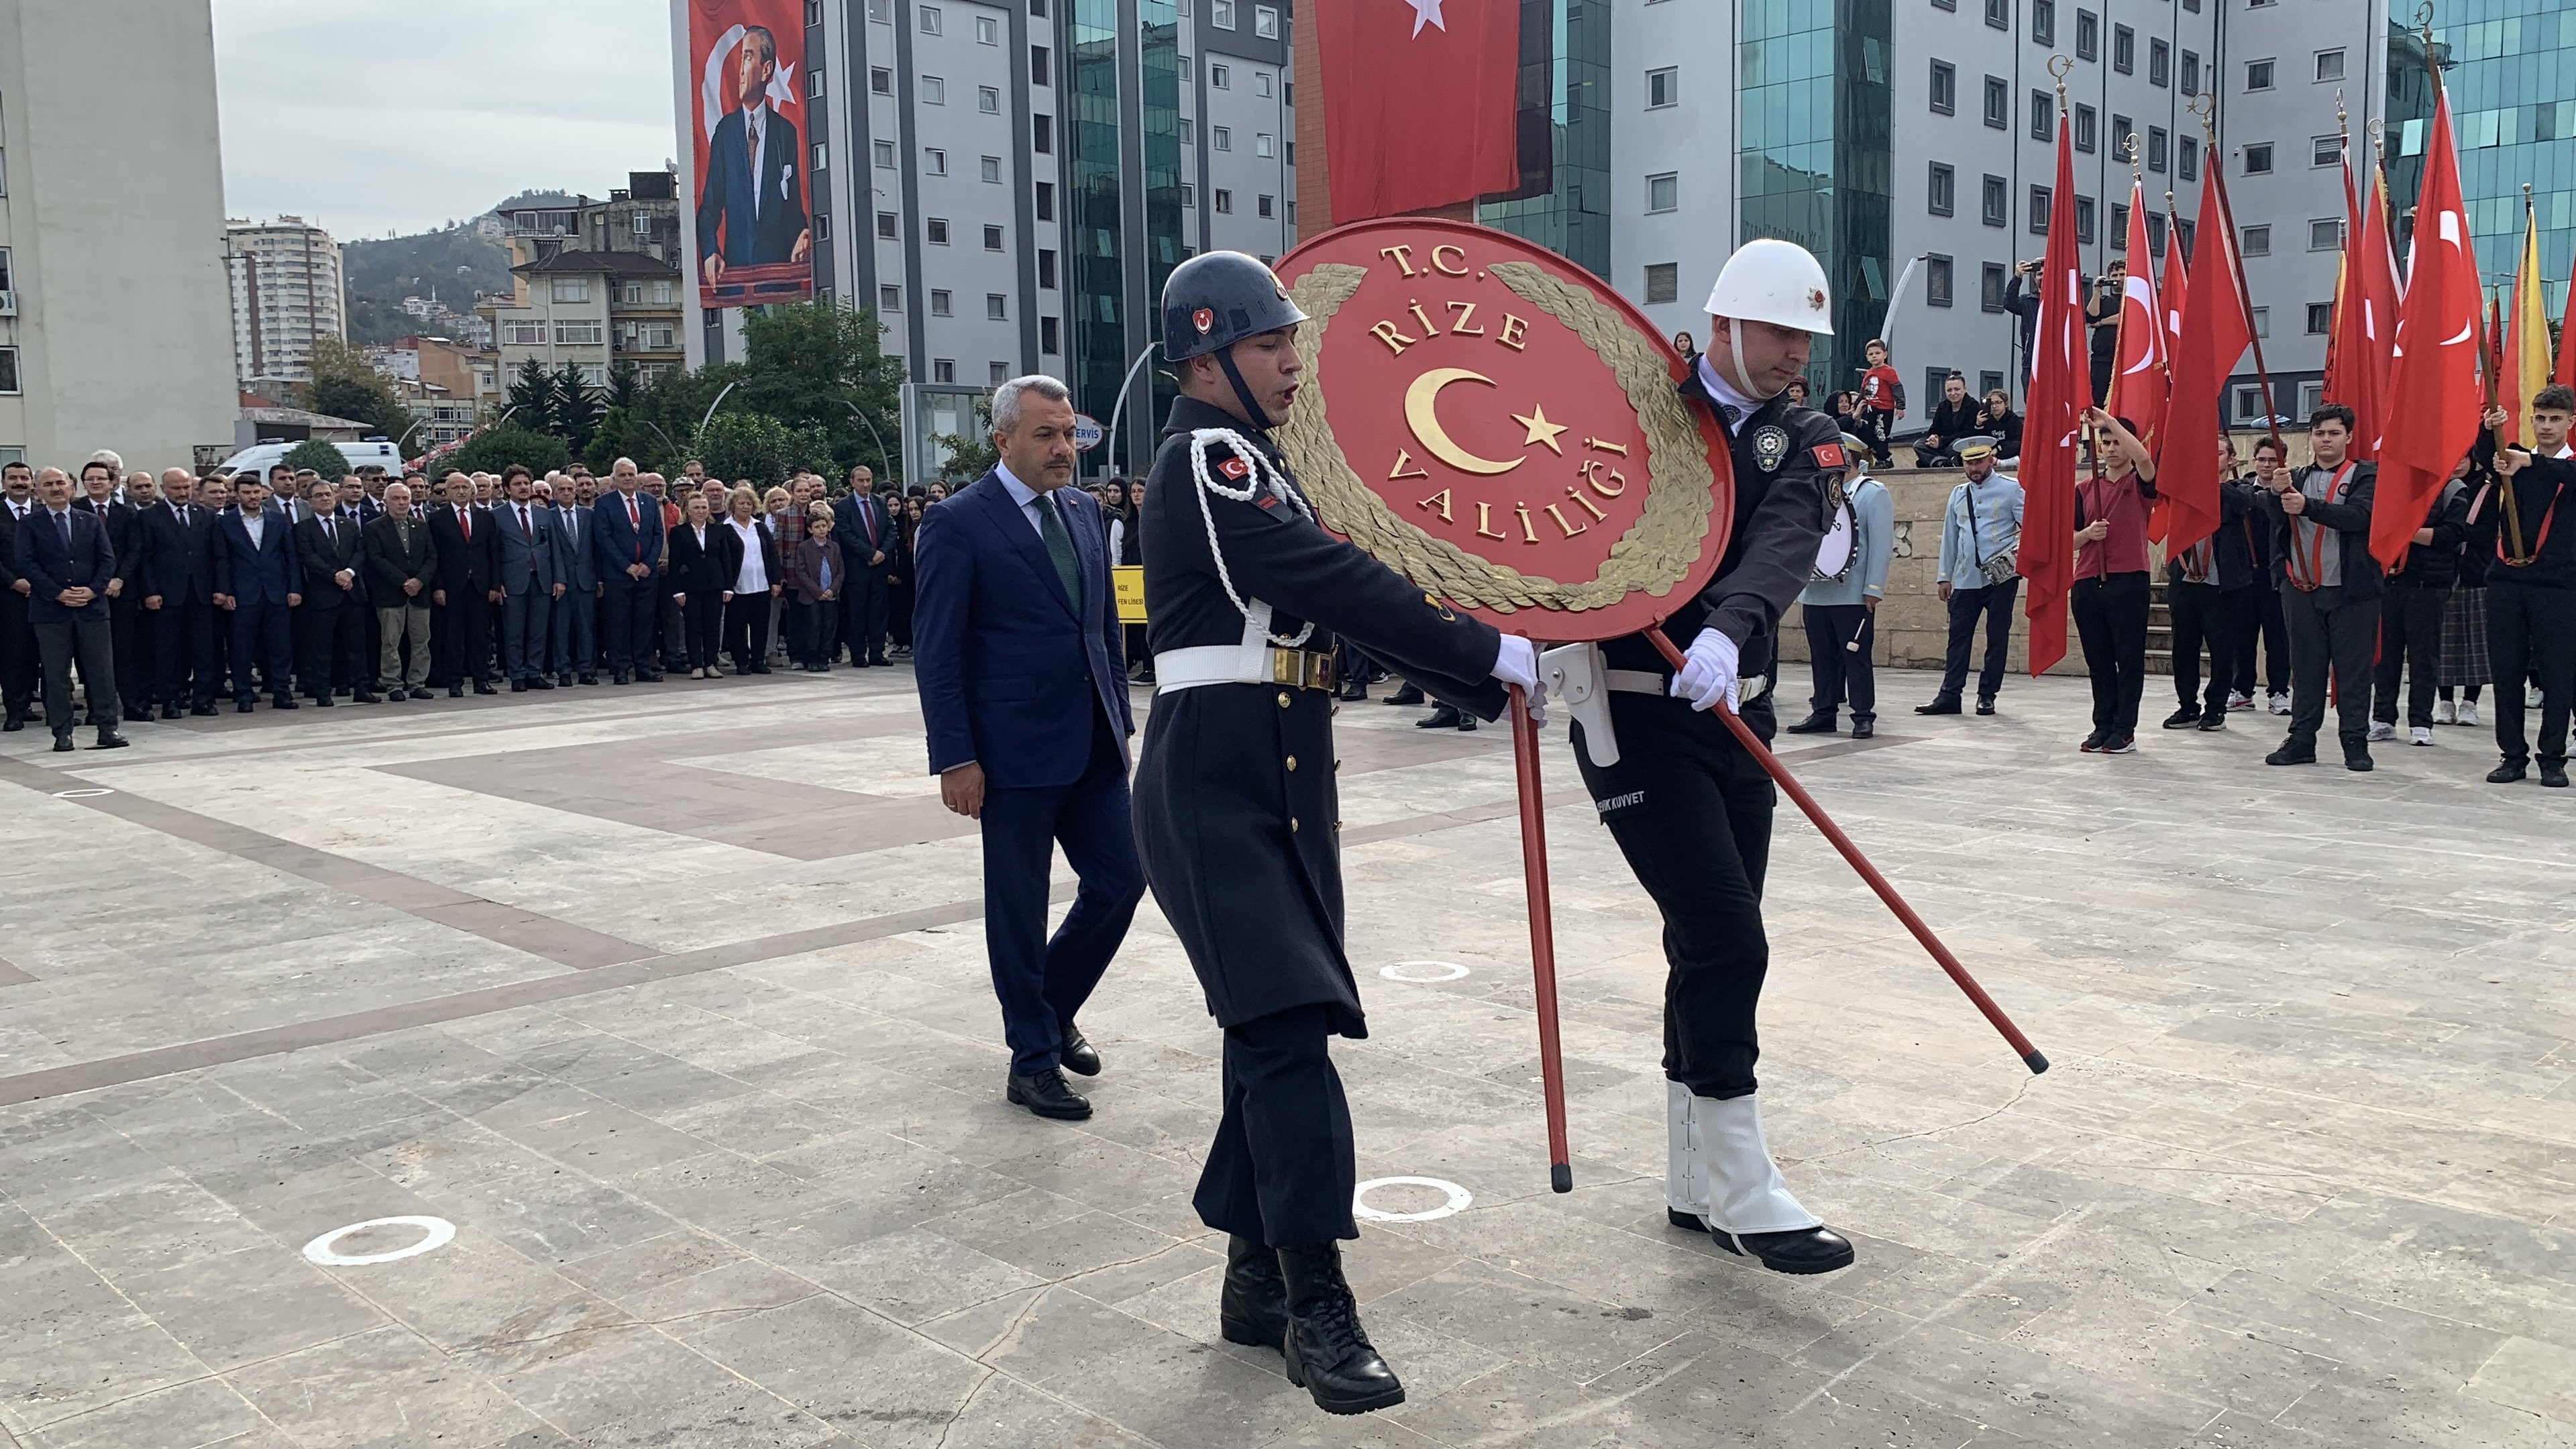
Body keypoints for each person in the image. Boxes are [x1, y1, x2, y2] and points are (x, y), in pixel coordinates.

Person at [1131, 252, 1537, 1415]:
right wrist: (1483, 652)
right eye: (1272, 348)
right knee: (1287, 1030)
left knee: (1267, 1032)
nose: (1294, 367)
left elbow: (1328, 615)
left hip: (1279, 771)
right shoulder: (1210, 458)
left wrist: (1482, 683)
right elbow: (1331, 577)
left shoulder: (1257, 461)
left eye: (1293, 344)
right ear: (1207, 358)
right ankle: (1319, 1307)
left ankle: (1254, 1280)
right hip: (1215, 779)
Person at [1563, 240, 1860, 1289]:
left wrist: (1734, 632)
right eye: (1781, 332)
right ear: (1725, 323)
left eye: (1806, 338)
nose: (1794, 355)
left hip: (1741, 712)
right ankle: (1743, 1184)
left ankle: (1691, 1178)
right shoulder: (1640, 408)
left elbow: (1787, 539)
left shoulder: (1809, 436)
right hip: (1636, 712)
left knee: (1704, 944)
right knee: (1730, 937)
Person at [914, 374, 1144, 1128]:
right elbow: (938, 652)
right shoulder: (958, 522)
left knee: (1122, 880)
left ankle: (1050, 1008)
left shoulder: (1081, 511)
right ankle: (1033, 1061)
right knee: (1016, 907)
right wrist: (955, 756)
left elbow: (1102, 626)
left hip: (1093, 744)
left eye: (1070, 433)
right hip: (1009, 755)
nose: (1062, 449)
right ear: (1003, 439)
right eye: (1046, 434)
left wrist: (1121, 716)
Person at [2253, 404, 2381, 771]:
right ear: (2310, 437)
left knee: (2353, 670)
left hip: (2351, 590)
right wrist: (2277, 497)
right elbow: (2276, 520)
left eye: (2334, 433)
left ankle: (2355, 741)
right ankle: (2301, 739)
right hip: (2301, 586)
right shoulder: (2294, 477)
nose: (2326, 440)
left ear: (2349, 437)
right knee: (2305, 667)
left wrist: (2306, 506)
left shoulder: (2366, 475)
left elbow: (2359, 517)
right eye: (2320, 433)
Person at [2476, 395, 2576, 787]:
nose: (2546, 425)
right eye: (2539, 418)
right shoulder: (2513, 458)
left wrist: (2529, 462)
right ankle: (2512, 755)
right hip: (2508, 580)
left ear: (2571, 421)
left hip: (2558, 585)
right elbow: (2488, 458)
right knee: (2507, 671)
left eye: (2555, 418)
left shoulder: (2560, 466)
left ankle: (2552, 757)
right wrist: (2490, 428)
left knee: (2558, 674)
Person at [1786, 435, 1892, 738]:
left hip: (1853, 591)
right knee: (1821, 656)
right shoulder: (1816, 492)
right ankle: (1824, 711)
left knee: (1855, 656)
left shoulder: (1872, 494)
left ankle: (1862, 714)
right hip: (1817, 591)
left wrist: (1873, 588)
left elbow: (1881, 545)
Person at [16, 466, 127, 750]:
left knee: (101, 671)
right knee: (56, 675)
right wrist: (57, 593)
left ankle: (107, 729)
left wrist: (92, 590)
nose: (55, 488)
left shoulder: (89, 521)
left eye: (60, 483)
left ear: (71, 487)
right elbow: (27, 563)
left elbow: (107, 560)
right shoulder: (30, 524)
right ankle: (62, 733)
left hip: (92, 608)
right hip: (50, 610)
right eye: (48, 484)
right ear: (37, 491)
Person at [2068, 411, 2159, 755]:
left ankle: (2125, 729)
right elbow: (2067, 540)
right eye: (2105, 442)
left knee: (2128, 658)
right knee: (2099, 660)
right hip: (2089, 580)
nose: (2111, 448)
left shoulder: (2139, 482)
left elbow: (2145, 457)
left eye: (2116, 441)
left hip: (2129, 578)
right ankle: (2102, 724)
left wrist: (2108, 419)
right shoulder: (2084, 488)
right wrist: (2088, 534)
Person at [694, 24, 811, 286]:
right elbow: (710, 206)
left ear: (767, 69)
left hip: (778, 278)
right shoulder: (725, 133)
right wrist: (710, 251)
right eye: (741, 59)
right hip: (736, 278)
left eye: (747, 57)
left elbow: (791, 206)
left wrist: (803, 234)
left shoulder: (785, 133)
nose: (740, 70)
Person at [2371, 452, 2471, 747]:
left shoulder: (2452, 489)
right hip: (2390, 581)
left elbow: (2452, 535)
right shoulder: (2392, 489)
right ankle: (2383, 718)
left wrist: (2406, 532)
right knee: (2386, 656)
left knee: (2423, 656)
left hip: (2429, 584)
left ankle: (2421, 722)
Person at [1918, 437, 2024, 715]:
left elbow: (2030, 530)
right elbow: (1950, 537)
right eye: (1969, 462)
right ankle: (1950, 694)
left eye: (1979, 461)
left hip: (2001, 577)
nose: (1974, 468)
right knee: (1958, 637)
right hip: (1966, 577)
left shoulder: (2011, 489)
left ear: (1991, 459)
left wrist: (2014, 557)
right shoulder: (1958, 493)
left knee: (1997, 637)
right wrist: (1944, 575)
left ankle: (1988, 694)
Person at [2161, 435, 2259, 733]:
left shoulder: (2238, 489)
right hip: (2186, 581)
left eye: (2217, 454)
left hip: (2222, 585)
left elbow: (2246, 503)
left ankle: (2215, 707)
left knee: (2221, 649)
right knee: (2183, 648)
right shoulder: (2185, 491)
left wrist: (2208, 486)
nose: (2209, 460)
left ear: (2231, 460)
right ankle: (2187, 705)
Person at [211, 474, 301, 713]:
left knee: (280, 645)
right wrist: (225, 590)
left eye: (256, 492)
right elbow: (222, 560)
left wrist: (294, 588)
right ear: (237, 495)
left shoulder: (278, 520)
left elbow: (290, 556)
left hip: (276, 591)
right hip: (242, 593)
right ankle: (243, 694)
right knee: (241, 647)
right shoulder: (224, 522)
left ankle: (282, 691)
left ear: (263, 492)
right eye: (247, 493)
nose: (253, 497)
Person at [139, 468, 219, 718]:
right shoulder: (150, 517)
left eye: (186, 487)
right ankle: (170, 700)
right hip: (167, 595)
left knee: (205, 650)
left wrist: (220, 589)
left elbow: (218, 557)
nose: (182, 492)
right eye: (176, 488)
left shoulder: (206, 515)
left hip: (201, 593)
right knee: (168, 651)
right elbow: (145, 558)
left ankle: (204, 700)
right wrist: (150, 592)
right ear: (164, 489)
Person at [74, 458, 148, 724]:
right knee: (91, 655)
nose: (96, 483)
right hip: (86, 594)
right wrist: (94, 586)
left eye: (101, 479)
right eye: (90, 479)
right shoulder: (74, 511)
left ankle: (131, 705)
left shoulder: (127, 513)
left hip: (120, 592)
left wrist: (118, 580)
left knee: (125, 652)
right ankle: (97, 709)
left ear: (112, 483)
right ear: (83, 484)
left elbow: (134, 551)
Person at [293, 476, 374, 705]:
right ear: (309, 501)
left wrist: (349, 572)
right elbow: (309, 558)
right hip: (323, 596)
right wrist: (335, 575)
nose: (325, 499)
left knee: (357, 645)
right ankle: (322, 691)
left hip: (352, 593)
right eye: (318, 495)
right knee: (322, 648)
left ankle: (361, 687)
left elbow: (361, 551)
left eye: (328, 494)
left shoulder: (348, 524)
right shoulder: (303, 528)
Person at [2234, 436, 2295, 715]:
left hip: (2277, 575)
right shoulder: (2241, 490)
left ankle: (2280, 691)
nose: (2267, 465)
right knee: (2243, 637)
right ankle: (2242, 691)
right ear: (2254, 461)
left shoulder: (2291, 493)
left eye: (2273, 460)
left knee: (2277, 638)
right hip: (2246, 574)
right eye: (2262, 459)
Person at [593, 459, 665, 685]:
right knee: (619, 623)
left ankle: (643, 666)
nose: (627, 478)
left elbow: (657, 535)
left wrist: (648, 564)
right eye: (622, 475)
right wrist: (626, 565)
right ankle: (621, 667)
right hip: (618, 574)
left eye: (631, 474)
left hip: (646, 573)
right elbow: (603, 537)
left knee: (645, 621)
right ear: (614, 480)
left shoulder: (649, 502)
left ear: (637, 478)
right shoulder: (604, 503)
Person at [2439, 451, 2498, 728]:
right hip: (2442, 572)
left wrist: (2456, 531)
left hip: (2475, 573)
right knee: (2443, 641)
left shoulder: (2486, 490)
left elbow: (2486, 534)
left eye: (2462, 458)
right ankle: (2445, 701)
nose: (2457, 464)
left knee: (2476, 642)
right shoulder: (2439, 488)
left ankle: (2470, 703)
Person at [427, 472, 499, 697]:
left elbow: (494, 553)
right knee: (453, 636)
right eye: (455, 488)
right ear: (446, 492)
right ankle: (455, 682)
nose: (461, 491)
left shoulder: (485, 517)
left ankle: (481, 681)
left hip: (480, 585)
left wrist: (495, 585)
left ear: (472, 491)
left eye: (465, 487)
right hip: (451, 587)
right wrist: (438, 586)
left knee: (481, 635)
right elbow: (434, 555)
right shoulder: (437, 519)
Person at [490, 466, 561, 692]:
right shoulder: (496, 516)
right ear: (507, 489)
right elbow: (494, 553)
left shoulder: (544, 514)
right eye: (517, 484)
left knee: (538, 631)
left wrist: (559, 579)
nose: (523, 488)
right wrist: (497, 582)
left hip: (541, 580)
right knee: (514, 631)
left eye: (526, 484)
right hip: (512, 582)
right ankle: (517, 674)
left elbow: (554, 549)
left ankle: (534, 672)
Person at [364, 481, 437, 700]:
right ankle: (393, 684)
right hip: (391, 594)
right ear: (386, 502)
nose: (402, 502)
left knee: (421, 641)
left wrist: (419, 581)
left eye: (405, 498)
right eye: (396, 499)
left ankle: (417, 683)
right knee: (390, 642)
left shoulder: (421, 526)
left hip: (419, 594)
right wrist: (404, 581)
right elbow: (376, 559)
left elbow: (431, 556)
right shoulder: (374, 527)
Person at [664, 490, 732, 679]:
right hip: (690, 586)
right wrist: (677, 590)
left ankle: (711, 663)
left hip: (714, 585)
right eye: (697, 508)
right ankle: (697, 665)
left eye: (704, 507)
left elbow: (726, 560)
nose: (701, 511)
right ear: (689, 510)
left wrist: (728, 586)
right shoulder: (679, 532)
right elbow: (675, 562)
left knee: (712, 626)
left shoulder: (718, 530)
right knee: (693, 626)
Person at [720, 485, 782, 675]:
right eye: (741, 503)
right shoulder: (725, 529)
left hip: (761, 585)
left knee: (760, 625)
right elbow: (723, 559)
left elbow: (772, 555)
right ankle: (741, 662)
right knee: (737, 626)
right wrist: (726, 584)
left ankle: (758, 660)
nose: (745, 507)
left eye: (749, 503)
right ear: (733, 506)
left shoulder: (760, 527)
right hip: (738, 587)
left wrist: (775, 581)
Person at [838, 465, 896, 665]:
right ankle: (858, 655)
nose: (865, 484)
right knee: (857, 613)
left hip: (879, 568)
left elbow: (891, 529)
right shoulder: (844, 506)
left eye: (868, 480)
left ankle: (878, 653)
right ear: (852, 482)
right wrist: (869, 553)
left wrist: (881, 553)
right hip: (858, 568)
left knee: (879, 613)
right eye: (861, 480)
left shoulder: (880, 502)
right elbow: (846, 536)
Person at [550, 472, 599, 686]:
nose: (567, 493)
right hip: (561, 582)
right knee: (561, 629)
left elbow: (596, 550)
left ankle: (586, 669)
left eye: (571, 489)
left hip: (586, 581)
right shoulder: (548, 517)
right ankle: (563, 670)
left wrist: (600, 580)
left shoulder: (589, 515)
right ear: (554, 493)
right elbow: (550, 552)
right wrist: (557, 578)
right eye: (562, 489)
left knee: (586, 628)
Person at [0, 462, 36, 731]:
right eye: (13, 478)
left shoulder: (45, 512)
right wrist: (13, 582)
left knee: (41, 653)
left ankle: (35, 705)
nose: (19, 482)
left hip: (45, 594)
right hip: (8, 596)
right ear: (4, 483)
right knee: (14, 653)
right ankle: (15, 709)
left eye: (24, 477)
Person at [786, 499, 841, 669]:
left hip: (831, 596)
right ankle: (812, 659)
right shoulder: (804, 547)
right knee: (813, 627)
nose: (821, 529)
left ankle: (824, 659)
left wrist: (832, 590)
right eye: (817, 527)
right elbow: (801, 572)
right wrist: (818, 592)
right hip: (812, 597)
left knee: (829, 628)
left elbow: (841, 571)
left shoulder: (834, 547)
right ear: (810, 530)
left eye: (824, 526)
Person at [1914, 373, 1979, 468]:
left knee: (1957, 444)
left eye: (1957, 389)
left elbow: (1967, 433)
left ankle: (1935, 461)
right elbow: (1934, 428)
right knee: (1918, 445)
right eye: (1949, 390)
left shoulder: (1973, 406)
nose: (1953, 393)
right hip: (1942, 444)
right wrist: (1933, 438)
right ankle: (1942, 462)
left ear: (1965, 389)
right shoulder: (1943, 406)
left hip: (1959, 443)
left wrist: (1941, 441)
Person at [1855, 338, 1901, 467]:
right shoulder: (1869, 373)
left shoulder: (1889, 372)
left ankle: (1884, 460)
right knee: (1870, 434)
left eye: (1878, 353)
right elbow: (1863, 391)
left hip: (1885, 409)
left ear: (1885, 355)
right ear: (1867, 357)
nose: (1874, 356)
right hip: (1871, 409)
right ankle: (1880, 455)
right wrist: (1855, 407)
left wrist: (1900, 406)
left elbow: (1897, 388)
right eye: (1871, 354)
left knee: (1881, 434)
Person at [1975, 388, 2023, 462]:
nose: (1994, 406)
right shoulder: (1987, 420)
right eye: (1992, 403)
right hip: (1989, 451)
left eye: (1998, 402)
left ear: (2006, 404)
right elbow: (1980, 440)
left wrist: (1998, 448)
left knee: (2017, 446)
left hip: (2006, 451)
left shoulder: (2014, 420)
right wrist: (1978, 425)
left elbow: (2016, 441)